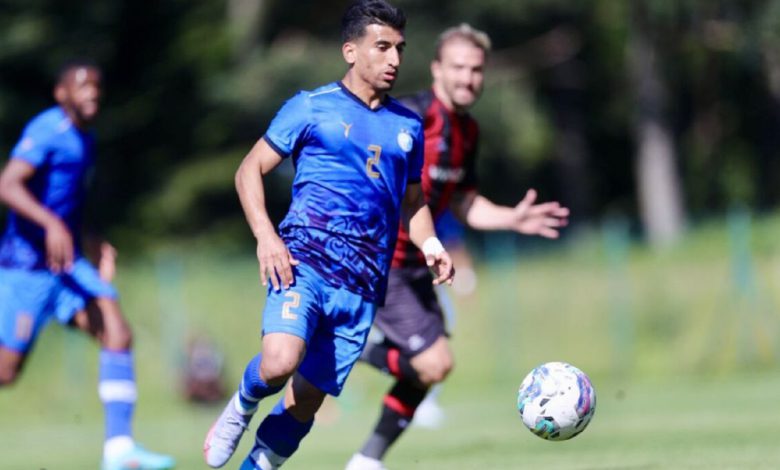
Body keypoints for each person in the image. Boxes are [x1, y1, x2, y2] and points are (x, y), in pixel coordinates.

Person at [201, 1, 455, 469]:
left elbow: (413, 202)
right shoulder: (310, 107)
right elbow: (248, 170)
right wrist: (266, 236)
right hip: (304, 264)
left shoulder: (407, 127)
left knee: (304, 403)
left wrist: (432, 244)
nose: (394, 59)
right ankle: (240, 405)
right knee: (279, 362)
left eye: (399, 48)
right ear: (350, 51)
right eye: (382, 47)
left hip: (362, 286)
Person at [345, 24, 571, 470]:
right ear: (437, 69)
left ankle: (366, 459)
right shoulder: (407, 116)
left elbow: (464, 201)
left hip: (420, 266)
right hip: (383, 261)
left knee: (435, 368)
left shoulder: (467, 131)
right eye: (459, 68)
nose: (468, 78)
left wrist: (510, 217)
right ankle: (342, 347)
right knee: (432, 363)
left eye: (476, 70)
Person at [0, 61, 175, 470]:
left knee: (116, 331)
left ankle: (119, 450)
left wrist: (91, 238)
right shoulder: (48, 129)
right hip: (26, 270)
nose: (91, 92)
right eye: (81, 86)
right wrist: (51, 224)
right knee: (6, 373)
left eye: (96, 85)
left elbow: (67, 201)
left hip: (68, 265)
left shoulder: (87, 138)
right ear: (61, 94)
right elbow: (8, 185)